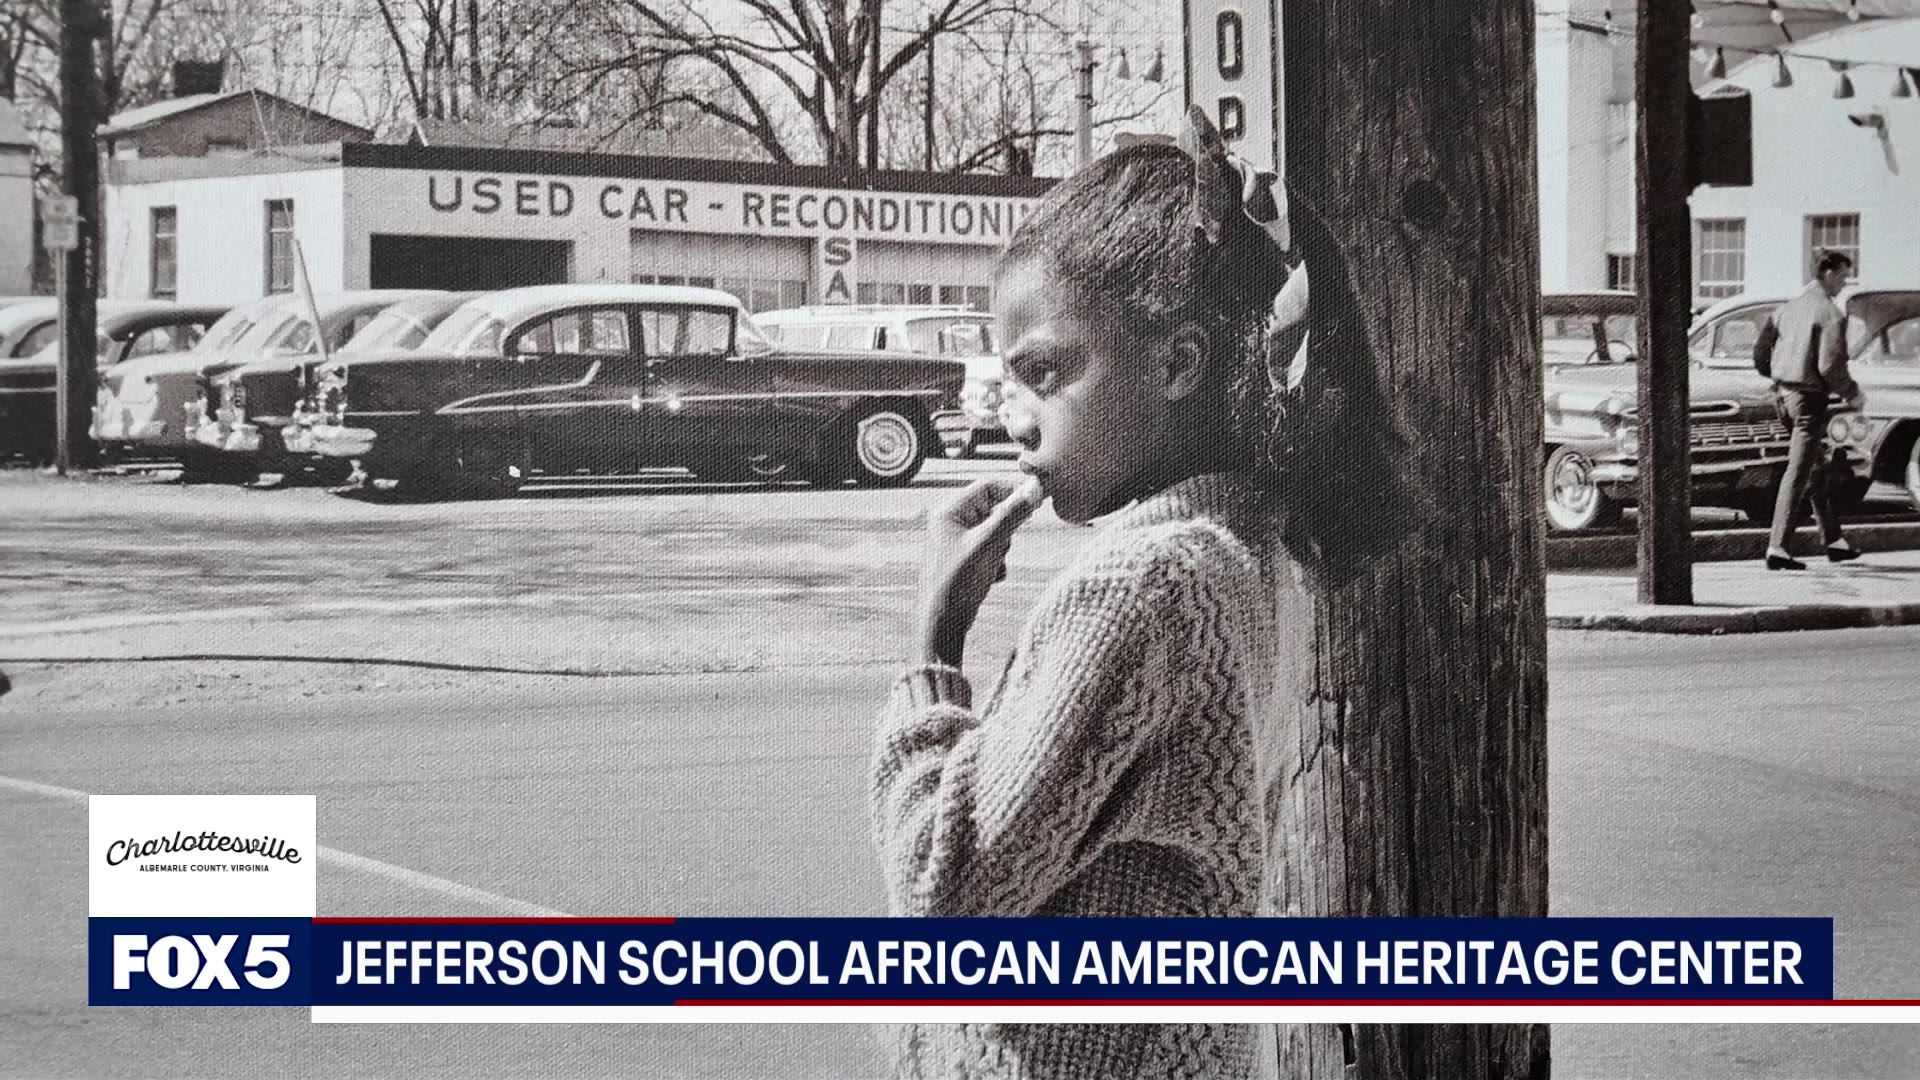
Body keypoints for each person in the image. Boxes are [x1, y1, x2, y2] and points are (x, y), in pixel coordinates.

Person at [868, 107, 1295, 1079]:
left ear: (1177, 362)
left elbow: (948, 894)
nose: (1017, 420)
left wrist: (933, 651)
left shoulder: (1143, 585)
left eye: (1047, 372)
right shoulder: (1242, 551)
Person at [1753, 249, 1865, 571]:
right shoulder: (1830, 314)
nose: (1844, 284)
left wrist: (1780, 377)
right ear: (1828, 274)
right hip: (1809, 402)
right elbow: (1830, 366)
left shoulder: (1785, 310)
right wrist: (1853, 394)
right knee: (1799, 472)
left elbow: (1760, 356)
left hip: (1783, 398)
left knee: (1815, 469)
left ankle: (1834, 541)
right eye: (1843, 276)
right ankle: (1778, 547)